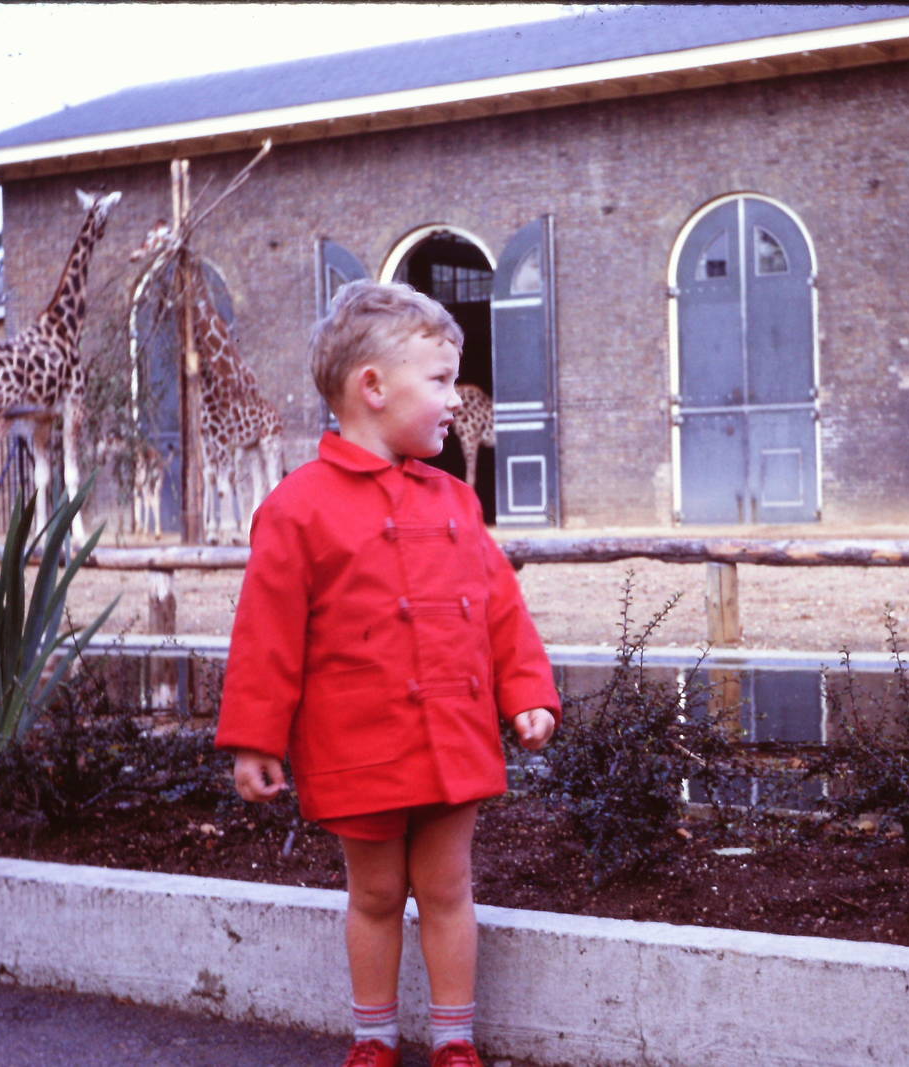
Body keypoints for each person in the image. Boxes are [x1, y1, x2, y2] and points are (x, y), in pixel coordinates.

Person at [216, 280, 560, 1067]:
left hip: (454, 736)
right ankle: (373, 1039)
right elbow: (266, 634)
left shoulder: (457, 502)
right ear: (372, 387)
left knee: (447, 888)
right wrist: (253, 739)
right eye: (438, 381)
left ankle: (453, 1039)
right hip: (359, 744)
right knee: (373, 894)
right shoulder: (297, 508)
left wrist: (528, 692)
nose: (454, 399)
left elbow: (499, 608)